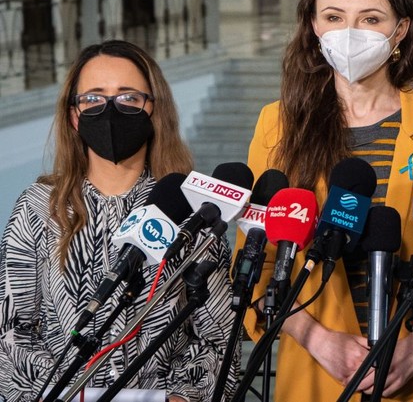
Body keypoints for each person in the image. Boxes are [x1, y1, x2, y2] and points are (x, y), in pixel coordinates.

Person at [237, 0, 413, 402]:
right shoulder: (277, 125)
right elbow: (257, 262)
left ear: (400, 29)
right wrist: (317, 338)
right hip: (315, 378)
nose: (349, 33)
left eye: (370, 18)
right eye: (334, 17)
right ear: (314, 26)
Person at [0, 40, 238, 402]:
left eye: (128, 97)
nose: (110, 110)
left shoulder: (190, 210)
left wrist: (182, 396)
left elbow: (218, 336)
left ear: (153, 109)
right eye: (93, 98)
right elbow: (10, 331)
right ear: (74, 115)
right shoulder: (38, 207)